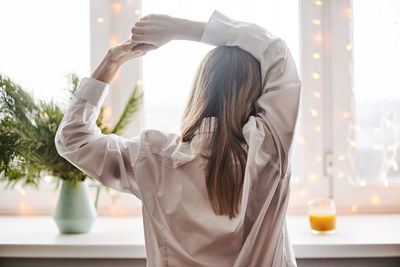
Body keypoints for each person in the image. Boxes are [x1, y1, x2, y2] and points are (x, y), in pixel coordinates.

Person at [55, 10, 301, 267]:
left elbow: (73, 139)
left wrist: (111, 62)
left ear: (201, 89)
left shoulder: (153, 156)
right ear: (258, 95)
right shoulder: (268, 148)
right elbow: (275, 50)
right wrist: (179, 29)